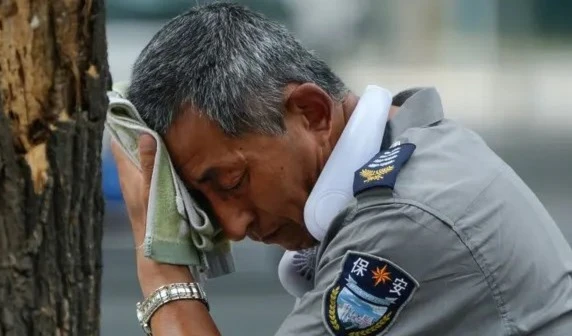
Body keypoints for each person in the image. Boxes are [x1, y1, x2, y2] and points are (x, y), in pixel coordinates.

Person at [111, 3, 572, 336]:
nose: (233, 224)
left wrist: (162, 270)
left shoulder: (400, 222)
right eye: (202, 202)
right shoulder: (416, 146)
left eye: (232, 181)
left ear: (311, 112)